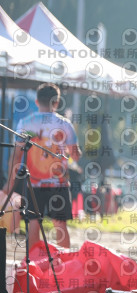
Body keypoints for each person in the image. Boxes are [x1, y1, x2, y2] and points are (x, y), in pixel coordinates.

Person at [3, 83, 81, 250]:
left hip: (33, 183)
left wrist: (10, 183)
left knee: (33, 223)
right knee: (60, 224)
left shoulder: (26, 123)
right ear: (57, 103)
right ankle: (64, 261)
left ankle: (34, 262)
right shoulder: (65, 124)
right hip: (58, 183)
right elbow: (75, 155)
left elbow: (16, 156)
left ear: (37, 101)